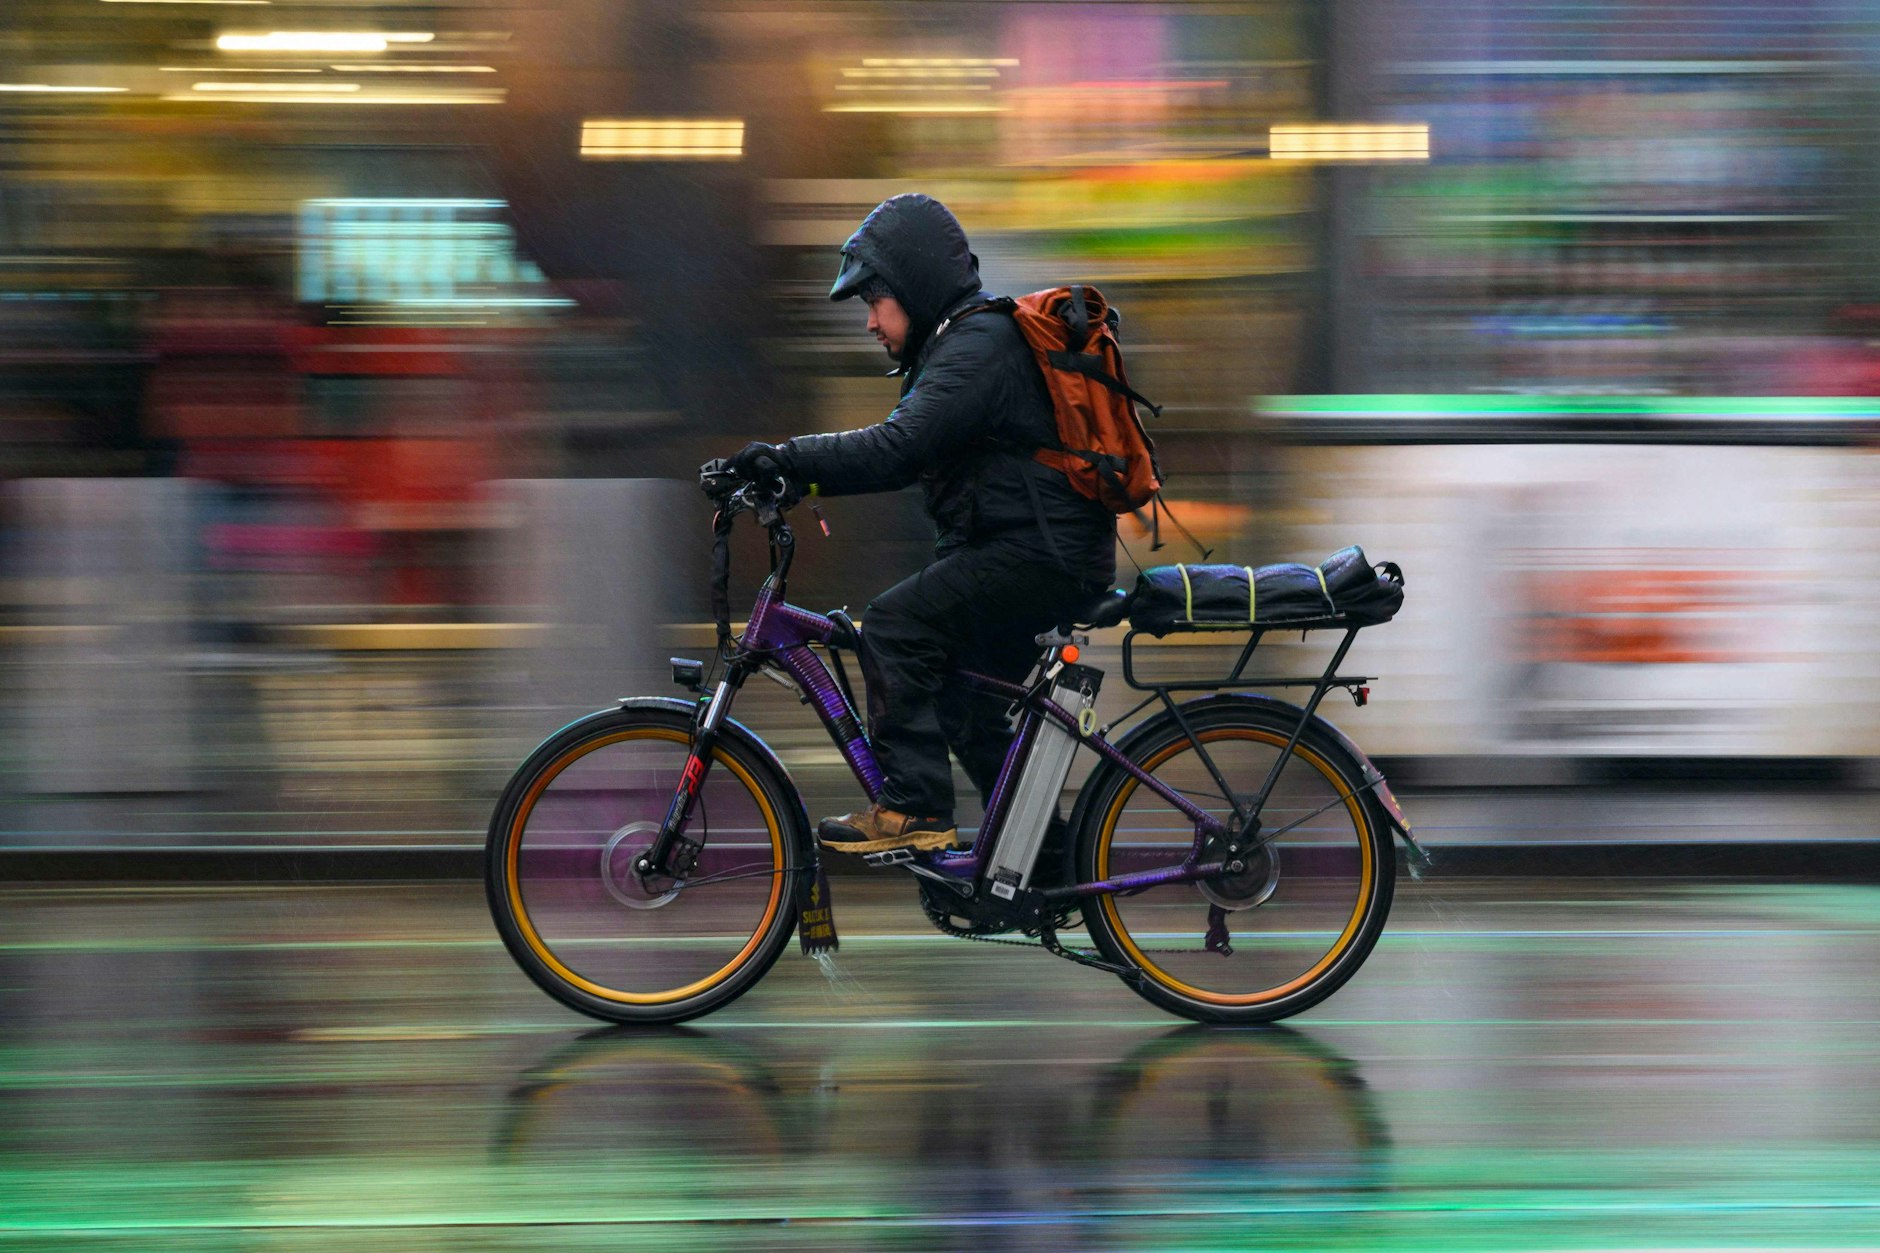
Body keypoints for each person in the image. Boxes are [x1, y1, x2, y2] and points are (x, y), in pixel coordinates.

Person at [718, 193, 1116, 856]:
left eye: (877, 302)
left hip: (1040, 556)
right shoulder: (959, 347)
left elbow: (897, 447)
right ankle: (1044, 862)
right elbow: (908, 453)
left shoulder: (977, 347)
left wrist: (788, 460)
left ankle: (915, 809)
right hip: (1037, 551)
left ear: (916, 285)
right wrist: (788, 473)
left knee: (896, 627)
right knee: (965, 704)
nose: (871, 323)